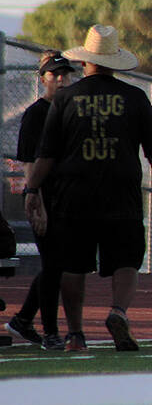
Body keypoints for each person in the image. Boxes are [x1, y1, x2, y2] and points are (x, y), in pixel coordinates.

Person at [25, 25, 152, 353]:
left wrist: (32, 190)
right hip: (121, 191)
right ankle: (118, 311)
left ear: (83, 63)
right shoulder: (135, 98)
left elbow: (46, 154)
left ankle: (75, 335)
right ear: (114, 61)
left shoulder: (64, 98)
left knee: (72, 263)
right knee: (127, 259)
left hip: (73, 193)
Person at [6, 51, 76, 350]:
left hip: (69, 196)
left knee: (58, 265)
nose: (61, 80)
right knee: (53, 265)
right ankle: (49, 332)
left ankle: (22, 319)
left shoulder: (72, 109)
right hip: (44, 197)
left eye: (64, 74)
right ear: (43, 78)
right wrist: (37, 199)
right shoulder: (36, 113)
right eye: (54, 74)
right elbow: (30, 162)